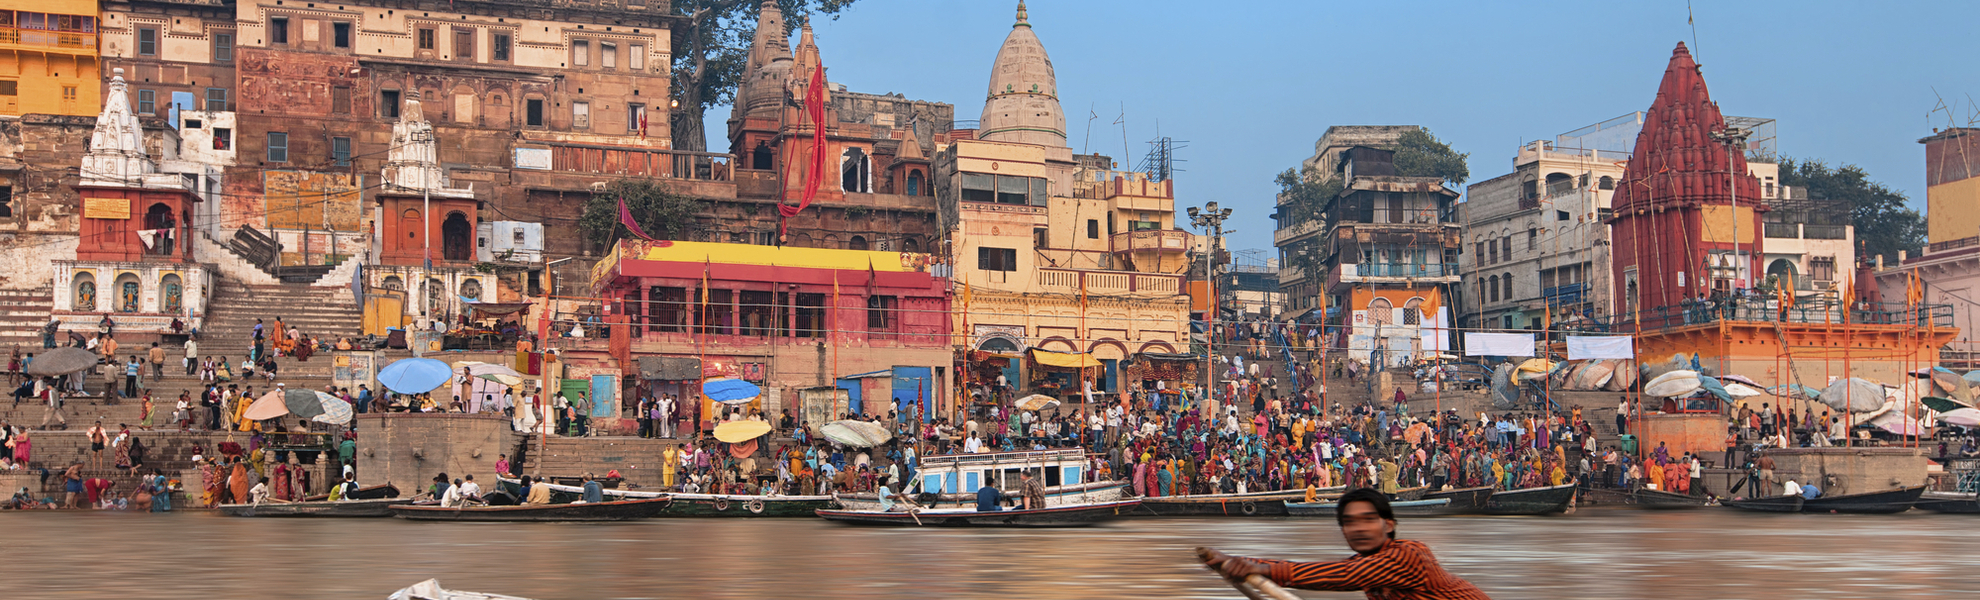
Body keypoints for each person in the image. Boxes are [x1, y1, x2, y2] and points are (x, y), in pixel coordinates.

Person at [1201, 488, 1490, 599]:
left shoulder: (1410, 554)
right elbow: (1342, 570)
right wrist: (1242, 564)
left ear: (1388, 525)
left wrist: (1257, 568)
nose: (1358, 529)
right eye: (1349, 523)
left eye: (1368, 519)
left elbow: (1343, 576)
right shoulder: (1369, 566)